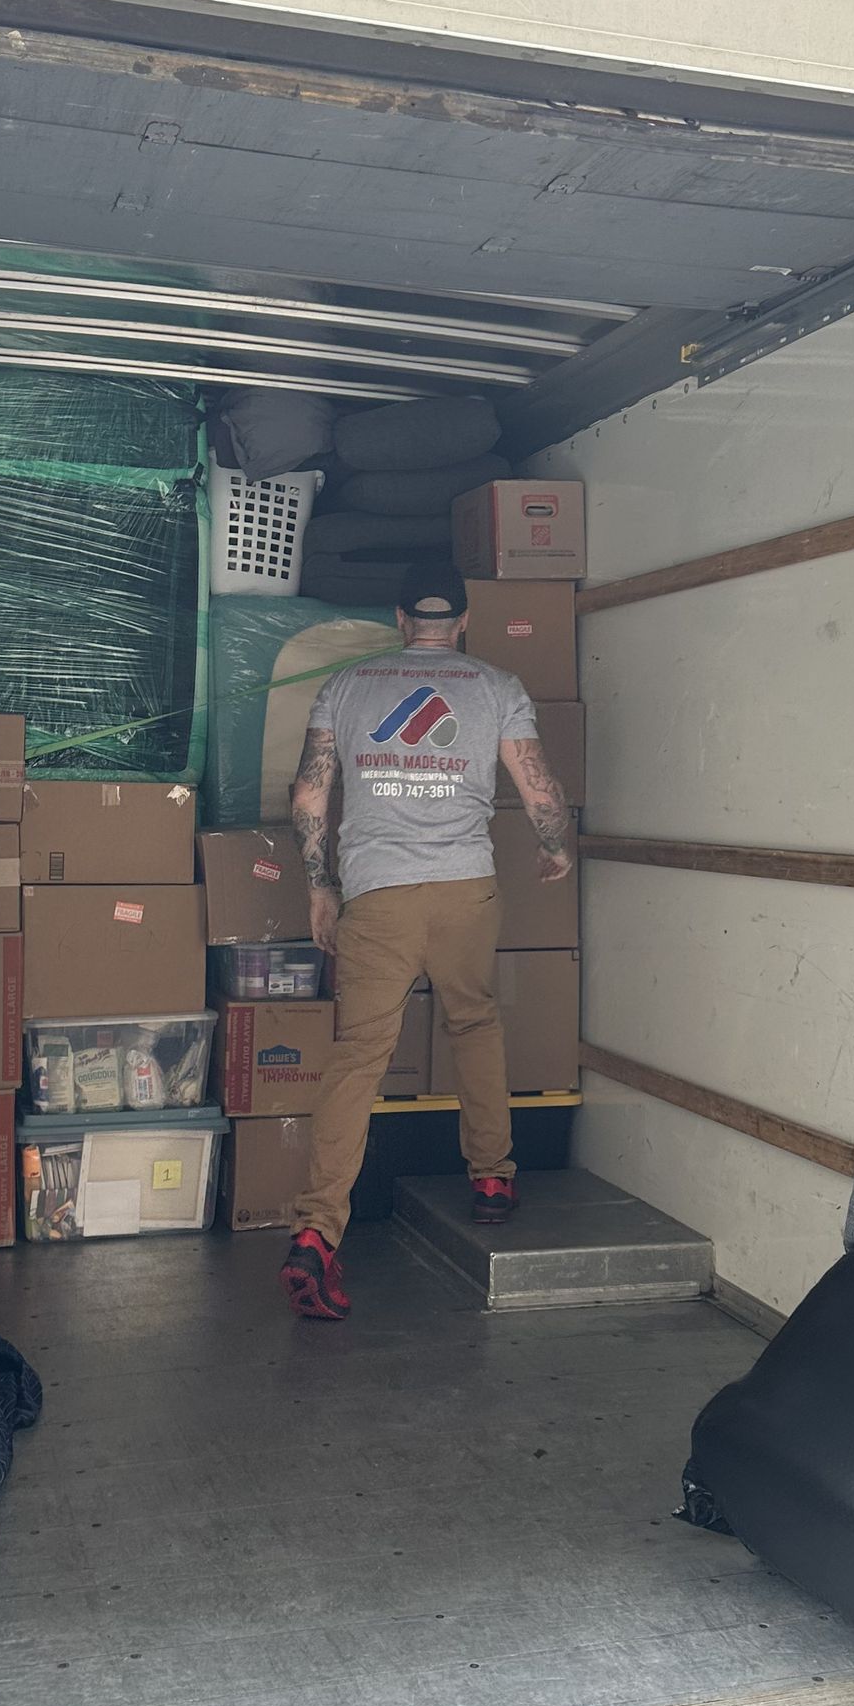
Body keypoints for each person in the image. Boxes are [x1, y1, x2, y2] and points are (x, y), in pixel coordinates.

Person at [280, 560, 574, 1320]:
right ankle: (492, 1178)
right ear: (464, 621)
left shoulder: (347, 687)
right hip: (465, 891)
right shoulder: (497, 687)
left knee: (358, 1057)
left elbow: (310, 792)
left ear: (402, 619)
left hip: (376, 896)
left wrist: (319, 885)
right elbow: (538, 786)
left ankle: (316, 1232)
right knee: (473, 1023)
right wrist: (555, 845)